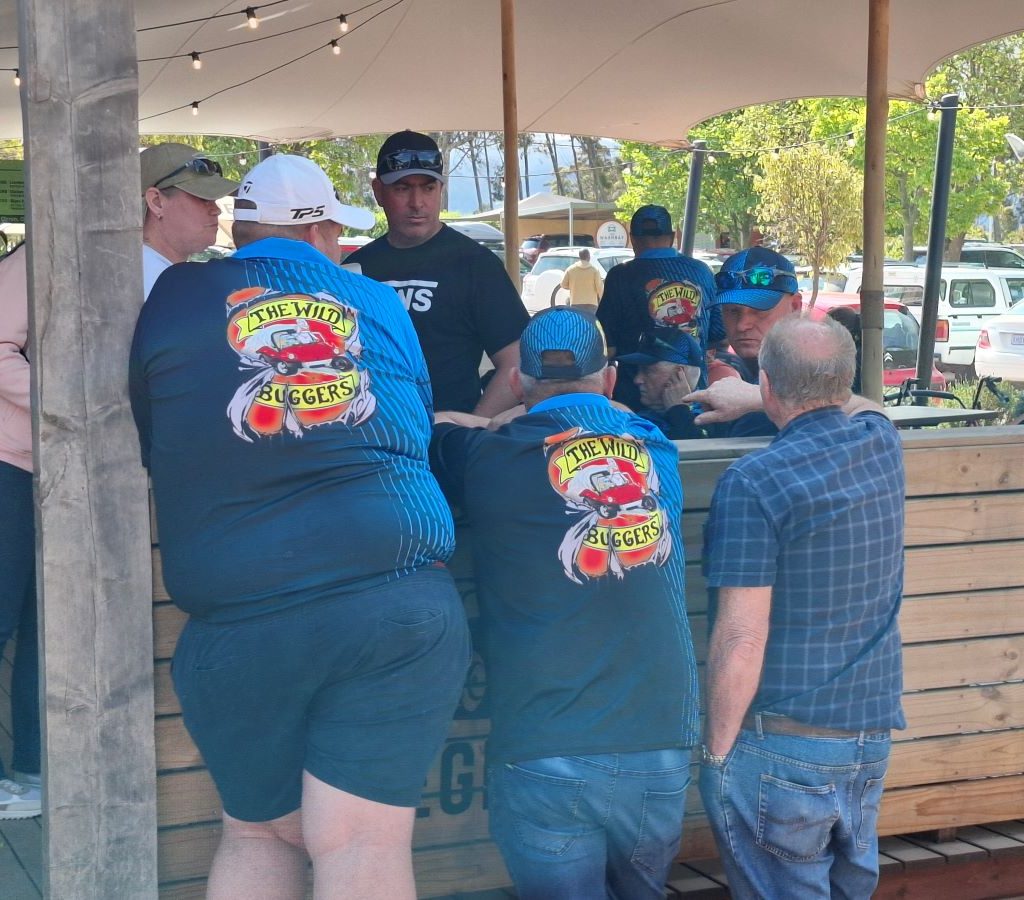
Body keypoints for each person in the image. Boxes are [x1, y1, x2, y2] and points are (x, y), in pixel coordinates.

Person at [129, 154, 470, 900]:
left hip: (238, 614)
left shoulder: (172, 297)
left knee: (258, 835)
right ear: (319, 231)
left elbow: (156, 439)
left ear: (243, 228)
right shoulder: (377, 304)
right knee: (362, 842)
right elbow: (410, 430)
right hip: (394, 598)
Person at [430, 308, 700, 900]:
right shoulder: (659, 451)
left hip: (545, 746)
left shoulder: (485, 457)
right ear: (608, 381)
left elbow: (438, 428)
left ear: (521, 385)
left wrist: (492, 418)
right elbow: (622, 420)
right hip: (658, 743)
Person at [699, 316, 905, 900]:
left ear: (765, 385)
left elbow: (742, 638)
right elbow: (867, 406)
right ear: (845, 381)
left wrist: (716, 758)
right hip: (868, 740)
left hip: (781, 746)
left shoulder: (753, 481)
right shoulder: (880, 443)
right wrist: (761, 397)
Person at [348, 130, 529, 415]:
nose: (417, 202)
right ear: (378, 192)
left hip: (446, 447)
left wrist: (469, 429)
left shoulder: (475, 264)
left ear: (441, 191)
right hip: (372, 440)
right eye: (402, 188)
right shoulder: (355, 269)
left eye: (428, 188)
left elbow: (517, 361)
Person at [596, 204, 723, 408]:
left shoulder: (621, 276)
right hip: (693, 394)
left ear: (633, 239)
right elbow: (719, 334)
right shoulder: (702, 271)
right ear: (672, 237)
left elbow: (606, 346)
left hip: (637, 397)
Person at [0, 243, 41, 819]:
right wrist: (66, 405)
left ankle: (36, 768)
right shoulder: (37, 257)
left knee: (45, 623)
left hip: (59, 470)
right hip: (11, 464)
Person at [683, 247, 804, 436]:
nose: (742, 325)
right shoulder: (760, 373)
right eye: (732, 311)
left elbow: (843, 408)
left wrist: (760, 400)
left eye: (759, 311)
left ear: (795, 307)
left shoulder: (816, 364)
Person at [140, 142, 239, 299]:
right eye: (202, 198)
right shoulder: (155, 285)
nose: (216, 209)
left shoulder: (154, 274)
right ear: (157, 202)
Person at [615, 327, 706, 439]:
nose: (637, 380)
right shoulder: (640, 419)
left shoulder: (712, 415)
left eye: (648, 371)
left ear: (679, 374)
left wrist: (679, 412)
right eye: (638, 370)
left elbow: (699, 452)